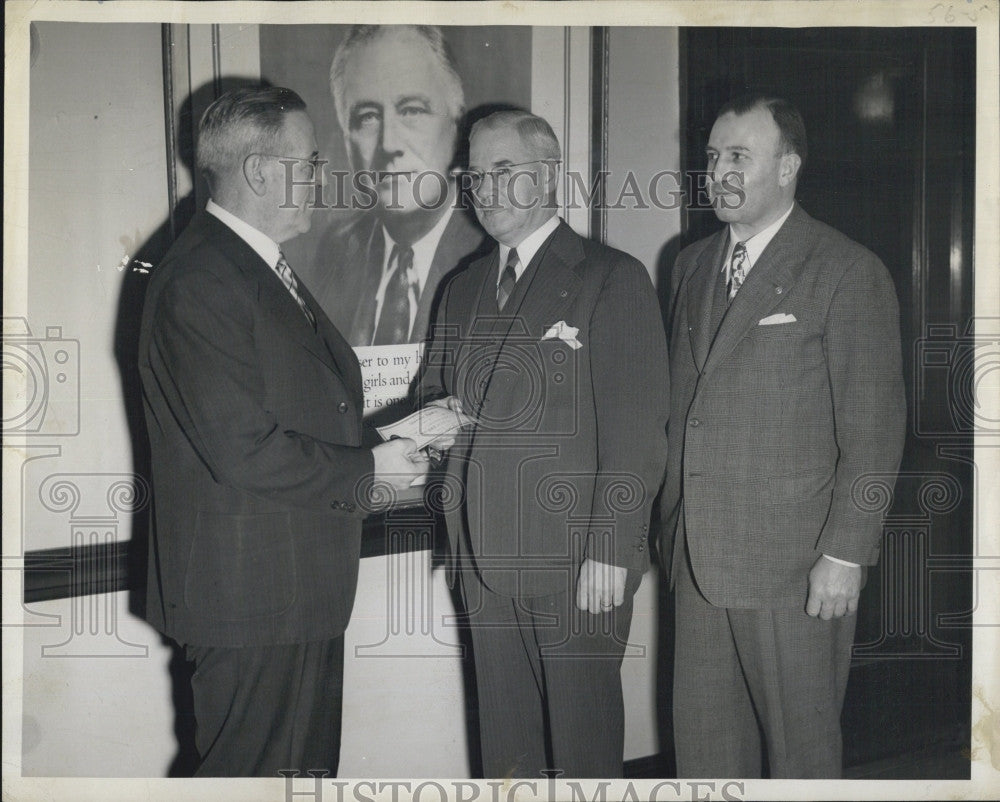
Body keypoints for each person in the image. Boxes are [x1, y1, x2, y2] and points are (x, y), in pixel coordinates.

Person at [137, 86, 428, 777]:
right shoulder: (202, 277)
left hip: (293, 588)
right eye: (310, 160)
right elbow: (240, 446)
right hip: (251, 596)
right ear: (262, 172)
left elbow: (300, 410)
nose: (322, 176)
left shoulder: (250, 265)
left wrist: (387, 440)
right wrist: (372, 471)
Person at [660, 94, 906, 778]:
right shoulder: (689, 266)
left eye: (739, 156)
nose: (719, 172)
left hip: (795, 568)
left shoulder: (845, 271)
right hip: (699, 559)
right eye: (712, 157)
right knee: (707, 759)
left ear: (789, 167)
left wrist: (847, 554)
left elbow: (875, 429)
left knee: (801, 761)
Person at [418, 110, 670, 778]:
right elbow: (436, 405)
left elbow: (637, 433)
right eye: (476, 175)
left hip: (575, 565)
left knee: (581, 752)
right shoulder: (462, 287)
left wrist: (611, 552)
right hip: (481, 560)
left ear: (549, 174)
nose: (487, 190)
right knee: (508, 753)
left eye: (504, 171)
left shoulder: (610, 278)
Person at [311, 24, 488, 347]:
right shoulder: (337, 248)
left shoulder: (494, 251)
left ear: (459, 125)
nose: (388, 143)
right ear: (346, 140)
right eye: (367, 117)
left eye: (411, 110)